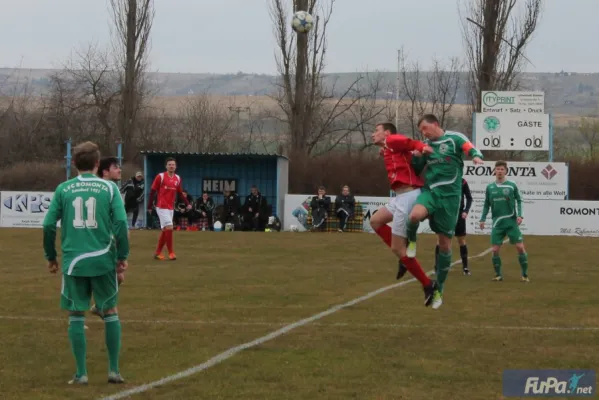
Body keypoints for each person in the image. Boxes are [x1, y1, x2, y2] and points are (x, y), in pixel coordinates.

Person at [42, 142, 129, 385]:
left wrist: (51, 256)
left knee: (76, 314)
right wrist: (122, 256)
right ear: (97, 164)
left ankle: (81, 374)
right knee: (110, 311)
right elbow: (121, 224)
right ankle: (113, 371)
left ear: (74, 163)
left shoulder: (63, 189)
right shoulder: (109, 189)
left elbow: (48, 225)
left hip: (73, 262)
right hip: (103, 258)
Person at [406, 114, 484, 309]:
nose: (423, 133)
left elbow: (469, 147)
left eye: (425, 128)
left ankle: (439, 289)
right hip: (431, 192)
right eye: (421, 130)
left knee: (445, 245)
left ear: (435, 124)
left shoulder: (454, 138)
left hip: (450, 199)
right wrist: (414, 157)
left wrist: (475, 156)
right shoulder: (425, 146)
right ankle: (412, 241)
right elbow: (415, 170)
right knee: (414, 215)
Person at [369, 122, 438, 307]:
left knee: (397, 249)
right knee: (375, 221)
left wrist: (423, 147)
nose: (372, 134)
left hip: (408, 196)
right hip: (400, 197)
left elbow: (409, 142)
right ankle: (404, 257)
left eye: (376, 130)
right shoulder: (389, 147)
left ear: (387, 133)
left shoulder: (391, 140)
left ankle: (428, 284)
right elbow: (405, 152)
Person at [479, 160, 529, 282]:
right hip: (498, 223)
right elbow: (486, 204)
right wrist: (482, 218)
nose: (500, 171)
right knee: (495, 250)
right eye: (498, 169)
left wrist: (520, 215)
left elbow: (519, 200)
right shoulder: (490, 187)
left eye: (502, 169)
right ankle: (498, 275)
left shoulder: (511, 185)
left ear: (506, 171)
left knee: (520, 247)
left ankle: (525, 274)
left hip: (511, 222)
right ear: (494, 171)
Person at [147, 158, 191, 260]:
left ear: (176, 167)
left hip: (170, 207)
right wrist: (149, 206)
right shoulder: (160, 177)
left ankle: (158, 253)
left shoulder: (177, 178)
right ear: (166, 166)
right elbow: (152, 191)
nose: (171, 166)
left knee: (165, 230)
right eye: (169, 164)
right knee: (170, 227)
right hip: (161, 206)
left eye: (173, 165)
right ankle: (171, 253)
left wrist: (187, 203)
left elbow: (180, 192)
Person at [433, 178, 473, 276]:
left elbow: (469, 197)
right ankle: (437, 267)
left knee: (461, 240)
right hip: (445, 214)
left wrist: (466, 211)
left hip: (458, 214)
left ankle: (465, 267)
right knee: (440, 240)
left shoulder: (462, 182)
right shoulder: (444, 181)